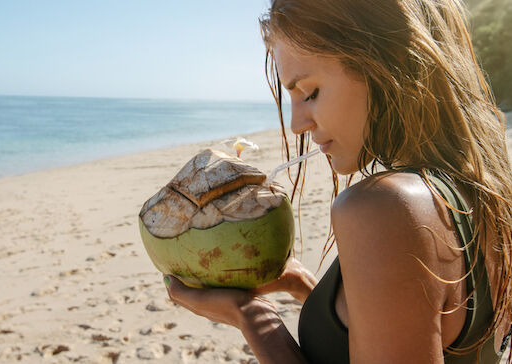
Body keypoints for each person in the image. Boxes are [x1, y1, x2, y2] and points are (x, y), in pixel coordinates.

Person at [163, 0, 512, 362]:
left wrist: (250, 316)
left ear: (384, 63)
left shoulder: (386, 207)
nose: (297, 124)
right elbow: (412, 320)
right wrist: (307, 289)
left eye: (310, 92)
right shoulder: (480, 191)